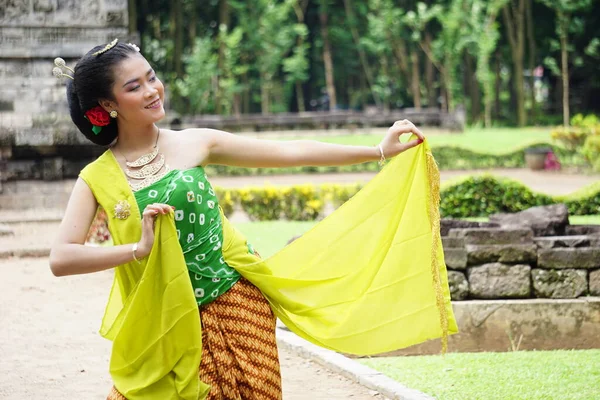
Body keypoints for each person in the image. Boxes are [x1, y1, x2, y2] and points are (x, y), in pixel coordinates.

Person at [49, 39, 451, 400]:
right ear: (108, 105)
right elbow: (62, 258)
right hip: (161, 325)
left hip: (238, 306)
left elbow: (290, 151)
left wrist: (375, 150)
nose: (152, 90)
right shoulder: (97, 178)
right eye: (133, 86)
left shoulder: (194, 142)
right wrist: (137, 250)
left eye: (151, 77)